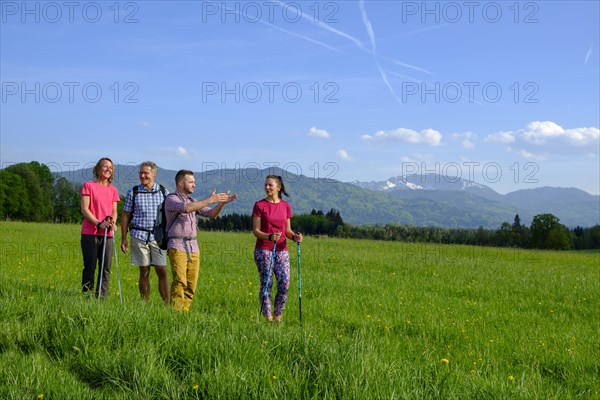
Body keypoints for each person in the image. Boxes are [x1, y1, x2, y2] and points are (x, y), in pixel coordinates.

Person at [165, 169, 237, 311]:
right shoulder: (171, 199)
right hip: (177, 245)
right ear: (181, 183)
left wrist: (221, 203)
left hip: (193, 247)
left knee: (191, 284)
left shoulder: (193, 201)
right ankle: (176, 314)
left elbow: (210, 214)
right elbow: (186, 208)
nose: (194, 185)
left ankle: (184, 312)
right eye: (191, 182)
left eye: (194, 182)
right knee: (180, 282)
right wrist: (210, 199)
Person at [252, 175, 302, 322]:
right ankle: (268, 316)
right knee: (267, 283)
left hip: (282, 249)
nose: (267, 188)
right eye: (266, 185)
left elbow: (287, 230)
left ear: (278, 188)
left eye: (270, 185)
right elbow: (256, 230)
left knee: (285, 282)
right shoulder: (259, 205)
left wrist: (295, 237)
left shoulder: (285, 206)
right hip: (263, 249)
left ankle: (278, 315)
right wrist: (269, 237)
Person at [120, 161, 170, 304]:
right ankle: (145, 303)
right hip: (138, 236)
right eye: (141, 173)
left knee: (162, 271)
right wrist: (123, 238)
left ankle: (167, 305)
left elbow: (170, 213)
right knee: (144, 271)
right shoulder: (133, 192)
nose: (142, 176)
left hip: (158, 237)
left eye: (146, 173)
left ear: (154, 174)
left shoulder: (163, 191)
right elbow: (125, 216)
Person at [80, 157, 119, 298]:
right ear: (98, 169)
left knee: (106, 268)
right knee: (90, 266)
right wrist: (98, 223)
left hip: (107, 235)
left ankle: (102, 297)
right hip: (90, 233)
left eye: (111, 167)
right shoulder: (88, 186)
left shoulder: (113, 190)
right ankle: (87, 296)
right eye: (105, 166)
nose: (108, 169)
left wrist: (113, 222)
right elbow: (85, 209)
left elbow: (114, 211)